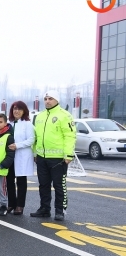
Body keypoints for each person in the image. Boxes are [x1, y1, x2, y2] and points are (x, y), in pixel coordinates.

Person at [30, 91, 76, 221]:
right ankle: (44, 209)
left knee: (59, 185)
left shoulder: (64, 115)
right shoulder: (39, 116)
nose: (47, 101)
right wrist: (35, 153)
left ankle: (60, 210)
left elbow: (70, 136)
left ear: (57, 100)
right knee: (43, 185)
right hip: (41, 157)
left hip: (58, 159)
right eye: (45, 99)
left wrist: (68, 155)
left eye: (50, 98)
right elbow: (36, 137)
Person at [7, 101, 36, 215]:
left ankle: (20, 205)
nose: (16, 111)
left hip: (22, 155)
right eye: (14, 109)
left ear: (24, 111)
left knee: (21, 181)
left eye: (19, 109)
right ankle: (11, 203)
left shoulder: (27, 124)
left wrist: (17, 145)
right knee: (9, 180)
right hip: (10, 156)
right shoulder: (9, 123)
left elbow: (31, 140)